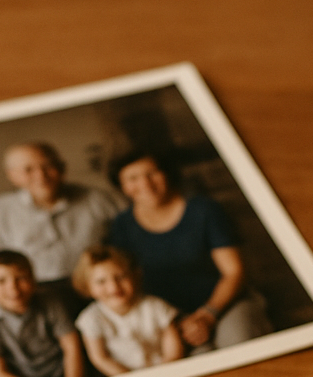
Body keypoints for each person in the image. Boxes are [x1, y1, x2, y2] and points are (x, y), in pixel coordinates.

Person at [104, 149, 271, 352]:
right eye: (133, 178)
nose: (145, 183)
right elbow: (126, 284)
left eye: (152, 173)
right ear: (122, 187)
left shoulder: (204, 210)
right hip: (171, 318)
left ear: (167, 174)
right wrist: (174, 321)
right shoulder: (122, 226)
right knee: (201, 360)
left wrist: (207, 314)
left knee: (238, 346)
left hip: (226, 304)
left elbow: (234, 272)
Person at [0, 142, 120, 305]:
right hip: (35, 295)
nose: (41, 175)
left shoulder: (97, 198)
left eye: (48, 166)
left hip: (99, 288)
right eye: (28, 170)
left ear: (62, 168)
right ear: (12, 176)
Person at [0, 250, 83, 377]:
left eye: (20, 278)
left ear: (33, 279)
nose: (13, 288)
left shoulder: (51, 302)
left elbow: (72, 346)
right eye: (1, 281)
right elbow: (0, 375)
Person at [72, 245, 183, 375]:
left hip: (165, 372)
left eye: (120, 277)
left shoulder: (154, 306)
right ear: (87, 286)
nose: (113, 287)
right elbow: (100, 358)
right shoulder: (90, 318)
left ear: (134, 275)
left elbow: (173, 346)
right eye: (101, 282)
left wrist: (163, 371)